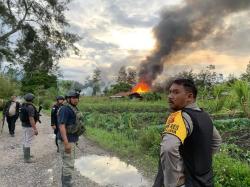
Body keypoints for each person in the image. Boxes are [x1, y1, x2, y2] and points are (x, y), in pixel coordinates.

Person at [153, 78, 222, 187]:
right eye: (170, 92)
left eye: (176, 92)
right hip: (206, 181)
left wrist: (173, 183)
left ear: (189, 96)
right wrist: (200, 162)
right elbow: (217, 141)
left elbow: (168, 148)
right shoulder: (204, 116)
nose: (170, 96)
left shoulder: (179, 116)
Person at [58, 90, 85, 187]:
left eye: (77, 98)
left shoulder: (73, 108)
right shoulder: (65, 109)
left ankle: (66, 183)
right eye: (73, 98)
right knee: (68, 163)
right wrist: (66, 143)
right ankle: (66, 184)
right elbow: (61, 126)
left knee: (68, 162)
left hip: (71, 139)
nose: (76, 100)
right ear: (68, 99)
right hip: (67, 140)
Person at [20, 93, 39, 163]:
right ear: (32, 99)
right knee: (28, 141)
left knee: (25, 140)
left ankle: (26, 155)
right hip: (29, 126)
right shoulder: (30, 107)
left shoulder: (24, 105)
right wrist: (35, 129)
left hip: (24, 125)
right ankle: (27, 158)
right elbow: (31, 118)